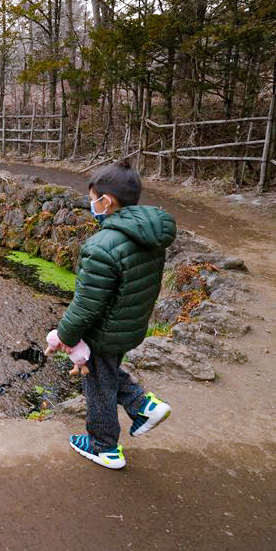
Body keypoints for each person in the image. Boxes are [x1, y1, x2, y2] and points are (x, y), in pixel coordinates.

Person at [46, 160, 176, 469]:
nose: (90, 205)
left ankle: (104, 446)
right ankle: (143, 405)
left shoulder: (102, 246)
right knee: (106, 372)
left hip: (105, 330)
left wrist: (64, 336)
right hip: (130, 324)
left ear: (107, 201)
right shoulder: (150, 236)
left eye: (92, 200)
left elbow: (87, 304)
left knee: (98, 385)